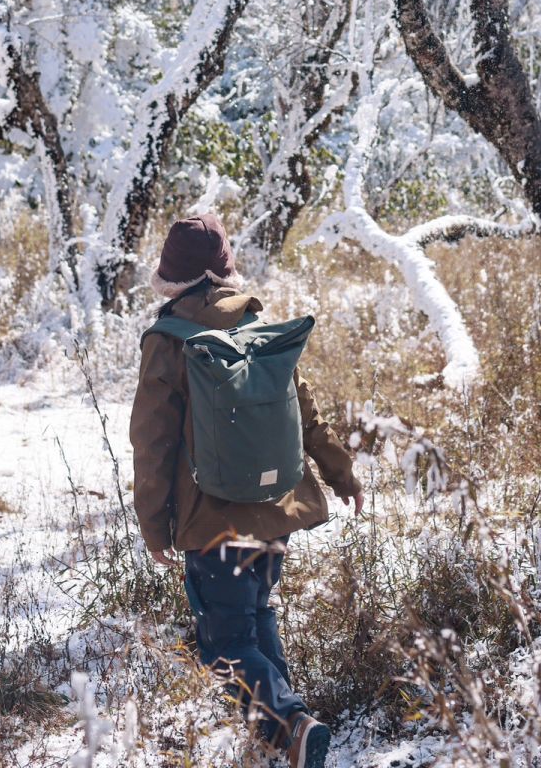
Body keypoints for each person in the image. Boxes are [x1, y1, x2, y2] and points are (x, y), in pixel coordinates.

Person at [129, 212, 363, 768]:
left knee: (225, 646)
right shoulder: (259, 327)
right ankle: (286, 739)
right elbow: (307, 415)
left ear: (173, 279)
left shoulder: (169, 342)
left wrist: (153, 526)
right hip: (276, 512)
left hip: (213, 523)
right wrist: (343, 475)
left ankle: (292, 727)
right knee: (256, 618)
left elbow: (152, 442)